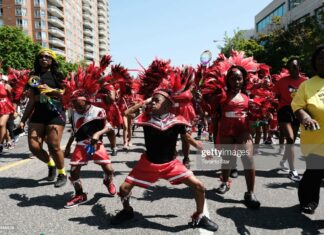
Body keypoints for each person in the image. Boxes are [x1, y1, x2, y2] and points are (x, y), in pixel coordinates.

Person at [111, 86, 218, 231]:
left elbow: (187, 137)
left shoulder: (177, 121)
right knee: (123, 189)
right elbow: (127, 113)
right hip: (148, 164)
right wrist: (145, 101)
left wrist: (203, 150)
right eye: (152, 101)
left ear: (168, 105)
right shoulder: (146, 118)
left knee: (199, 187)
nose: (152, 103)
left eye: (157, 101)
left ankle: (199, 216)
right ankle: (127, 211)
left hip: (171, 165)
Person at [19, 48, 67, 187]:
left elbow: (68, 93)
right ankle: (51, 164)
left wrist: (52, 90)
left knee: (53, 145)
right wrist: (22, 120)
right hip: (38, 114)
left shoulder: (58, 75)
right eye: (41, 57)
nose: (43, 59)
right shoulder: (33, 76)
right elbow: (32, 100)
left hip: (55, 113)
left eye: (47, 57)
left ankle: (62, 173)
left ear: (52, 60)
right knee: (34, 147)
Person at [214, 66, 260, 209]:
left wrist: (257, 115)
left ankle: (250, 193)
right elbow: (215, 117)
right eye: (233, 78)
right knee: (228, 159)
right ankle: (225, 182)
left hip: (243, 131)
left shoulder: (249, 95)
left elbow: (256, 115)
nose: (236, 81)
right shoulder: (220, 96)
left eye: (239, 78)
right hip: (226, 130)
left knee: (247, 158)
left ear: (243, 80)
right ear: (227, 80)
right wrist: (215, 134)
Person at [64, 90, 116, 208]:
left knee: (109, 170)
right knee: (73, 171)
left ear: (86, 100)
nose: (75, 106)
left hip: (96, 144)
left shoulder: (98, 111)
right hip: (81, 145)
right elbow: (74, 132)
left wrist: (98, 134)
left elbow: (108, 127)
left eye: (77, 103)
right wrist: (67, 147)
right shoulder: (73, 113)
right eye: (73, 103)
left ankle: (108, 181)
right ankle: (80, 194)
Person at [291, 45, 324, 214]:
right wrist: (306, 118)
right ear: (315, 62)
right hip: (316, 140)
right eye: (321, 58)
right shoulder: (307, 85)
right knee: (315, 173)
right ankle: (309, 200)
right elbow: (297, 106)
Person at [273, 58, 307, 181]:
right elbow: (275, 96)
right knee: (290, 138)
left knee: (290, 141)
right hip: (284, 111)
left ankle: (283, 161)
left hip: (298, 111)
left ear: (299, 68)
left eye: (294, 67)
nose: (291, 69)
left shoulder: (305, 82)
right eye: (289, 67)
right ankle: (292, 170)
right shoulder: (281, 81)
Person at [0, 75, 15, 154]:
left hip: (5, 105)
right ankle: (9, 140)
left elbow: (12, 97)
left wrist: (14, 110)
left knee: (1, 124)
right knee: (3, 126)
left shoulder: (6, 85)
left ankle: (0, 145)